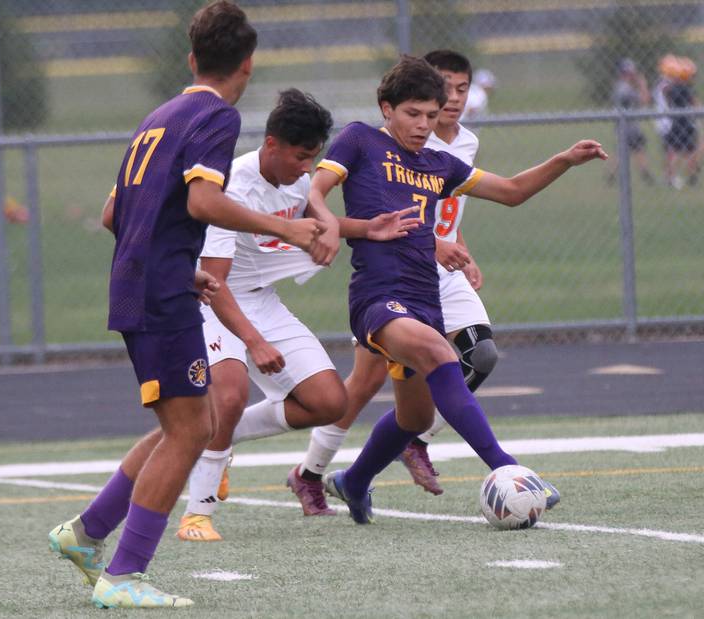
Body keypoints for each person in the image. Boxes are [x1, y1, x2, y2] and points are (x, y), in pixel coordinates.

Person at [47, 2, 324, 608]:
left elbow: (114, 214)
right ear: (247, 65)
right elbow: (202, 202)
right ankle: (123, 575)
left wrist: (179, 263)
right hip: (159, 294)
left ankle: (86, 533)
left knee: (188, 423)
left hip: (148, 282)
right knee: (191, 430)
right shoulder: (217, 116)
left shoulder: (158, 117)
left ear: (192, 57)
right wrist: (289, 227)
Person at [310, 55, 607, 524]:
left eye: (431, 115)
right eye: (412, 113)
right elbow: (314, 195)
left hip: (425, 298)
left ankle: (354, 481)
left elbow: (511, 191)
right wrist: (355, 227)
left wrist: (564, 160)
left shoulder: (440, 163)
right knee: (440, 354)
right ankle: (509, 469)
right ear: (386, 108)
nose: (423, 125)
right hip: (378, 296)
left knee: (414, 419)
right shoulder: (360, 140)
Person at [175, 88, 423, 536]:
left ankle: (222, 435)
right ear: (271, 144)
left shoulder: (296, 180)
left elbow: (313, 223)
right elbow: (213, 282)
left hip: (260, 299)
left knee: (330, 402)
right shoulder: (232, 188)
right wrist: (254, 341)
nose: (308, 168)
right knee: (228, 396)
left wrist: (367, 228)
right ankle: (197, 513)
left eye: (314, 157)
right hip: (213, 301)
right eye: (301, 157)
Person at [289, 50, 509, 513]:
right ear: (391, 107)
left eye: (459, 90)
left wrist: (455, 245)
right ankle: (310, 472)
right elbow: (337, 200)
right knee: (371, 378)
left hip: (433, 277)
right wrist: (339, 226)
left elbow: (446, 211)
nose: (451, 100)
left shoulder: (457, 149)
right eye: (441, 89)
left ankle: (379, 464)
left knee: (448, 382)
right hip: (386, 281)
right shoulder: (367, 140)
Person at [607, 58, 655, 185]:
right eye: (631, 72)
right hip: (629, 126)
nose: (634, 75)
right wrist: (643, 84)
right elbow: (645, 100)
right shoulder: (625, 88)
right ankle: (645, 175)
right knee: (629, 150)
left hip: (627, 125)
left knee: (635, 149)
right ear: (626, 73)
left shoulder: (621, 86)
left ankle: (645, 174)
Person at [663, 57, 700, 189]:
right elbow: (695, 104)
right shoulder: (686, 88)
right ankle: (677, 176)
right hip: (685, 122)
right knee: (686, 150)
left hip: (676, 121)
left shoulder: (671, 88)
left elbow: (668, 101)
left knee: (677, 150)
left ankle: (674, 175)